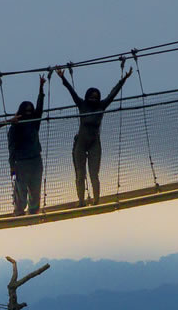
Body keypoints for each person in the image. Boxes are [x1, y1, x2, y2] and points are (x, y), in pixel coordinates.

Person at [54, 61, 133, 205]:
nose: (94, 98)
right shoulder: (82, 105)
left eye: (96, 96)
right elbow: (72, 92)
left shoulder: (102, 106)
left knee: (94, 174)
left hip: (94, 144)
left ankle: (96, 200)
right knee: (80, 174)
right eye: (92, 96)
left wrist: (124, 79)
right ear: (87, 96)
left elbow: (112, 94)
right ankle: (81, 201)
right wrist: (62, 78)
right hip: (81, 143)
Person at [4, 75, 48, 216]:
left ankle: (34, 210)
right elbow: (11, 147)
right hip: (21, 162)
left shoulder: (35, 122)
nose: (29, 112)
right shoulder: (15, 127)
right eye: (26, 110)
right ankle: (19, 211)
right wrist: (12, 166)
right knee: (20, 189)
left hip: (36, 159)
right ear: (21, 112)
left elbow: (40, 109)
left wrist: (41, 89)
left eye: (31, 110)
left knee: (35, 187)